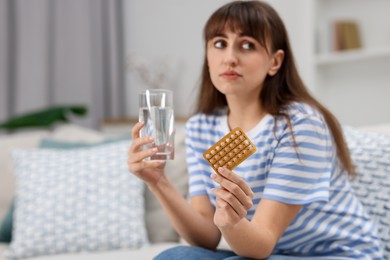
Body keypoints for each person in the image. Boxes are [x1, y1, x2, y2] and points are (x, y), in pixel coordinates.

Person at [128, 1, 383, 259]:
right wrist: (158, 182)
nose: (229, 58)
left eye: (247, 45)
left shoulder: (300, 125)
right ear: (207, 56)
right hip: (272, 253)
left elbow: (262, 243)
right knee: (176, 257)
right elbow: (205, 237)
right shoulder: (200, 128)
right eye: (219, 43)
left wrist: (231, 221)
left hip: (336, 254)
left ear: (275, 61)